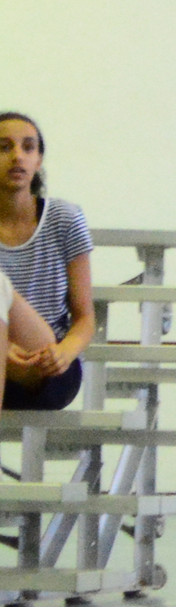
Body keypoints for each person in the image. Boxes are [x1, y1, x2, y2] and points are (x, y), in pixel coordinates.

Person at [0, 114, 94, 411]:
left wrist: (63, 353)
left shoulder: (64, 218)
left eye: (28, 147)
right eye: (4, 147)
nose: (18, 156)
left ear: (38, 160)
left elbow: (85, 318)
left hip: (51, 367)